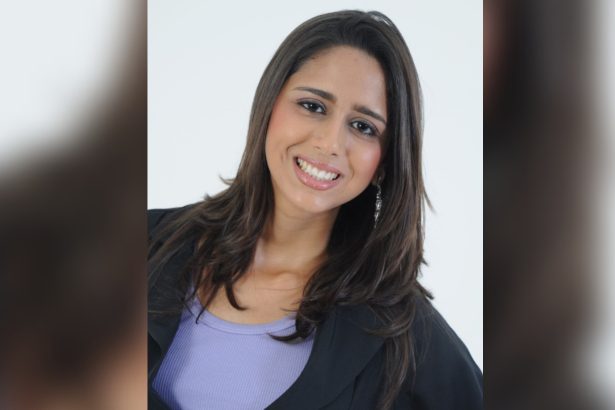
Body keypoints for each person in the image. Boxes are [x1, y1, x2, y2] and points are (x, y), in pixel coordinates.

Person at [148, 10, 482, 410]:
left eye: (363, 127)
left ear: (385, 161)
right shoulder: (139, 243)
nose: (330, 143)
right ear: (269, 106)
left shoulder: (402, 330)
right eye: (313, 105)